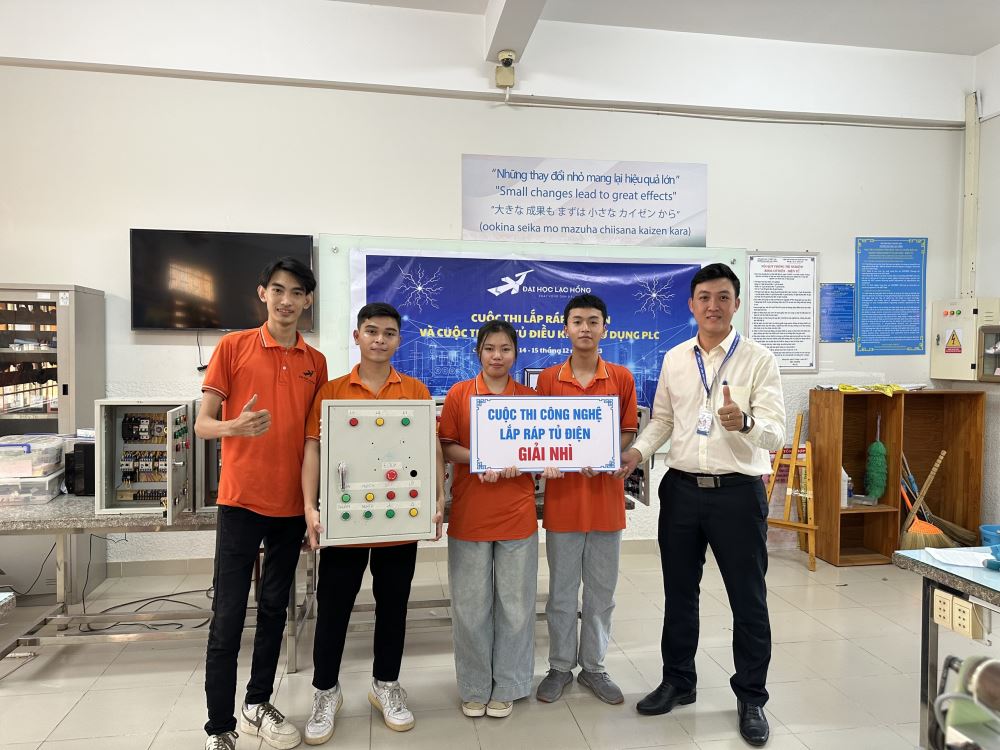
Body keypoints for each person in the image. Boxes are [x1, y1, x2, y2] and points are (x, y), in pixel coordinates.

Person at [617, 263, 785, 747]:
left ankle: (751, 697)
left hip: (738, 493)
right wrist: (635, 454)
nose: (714, 306)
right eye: (704, 297)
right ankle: (678, 681)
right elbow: (663, 421)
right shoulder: (675, 358)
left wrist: (745, 422)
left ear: (737, 304)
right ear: (691, 305)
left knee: (748, 599)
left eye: (723, 297)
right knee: (678, 594)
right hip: (682, 491)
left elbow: (775, 433)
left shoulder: (759, 360)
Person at [196, 257, 327, 750]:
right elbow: (202, 423)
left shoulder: (316, 362)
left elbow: (314, 440)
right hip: (241, 501)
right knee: (228, 615)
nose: (286, 300)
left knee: (275, 610)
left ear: (308, 300)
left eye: (296, 292)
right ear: (262, 293)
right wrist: (233, 426)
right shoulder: (233, 347)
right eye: (278, 290)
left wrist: (312, 505)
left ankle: (257, 702)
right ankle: (219, 726)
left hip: (290, 506)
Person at [301, 302, 445, 745]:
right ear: (357, 336)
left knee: (394, 605)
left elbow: (432, 450)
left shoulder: (416, 390)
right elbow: (313, 449)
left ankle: (386, 684)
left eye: (388, 333)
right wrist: (309, 507)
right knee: (334, 607)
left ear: (399, 340)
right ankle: (326, 691)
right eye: (371, 331)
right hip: (345, 523)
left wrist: (439, 498)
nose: (379, 340)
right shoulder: (332, 391)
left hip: (398, 521)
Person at [534, 293, 638, 705]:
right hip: (563, 503)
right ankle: (560, 666)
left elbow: (627, 431)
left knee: (600, 593)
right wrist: (546, 457)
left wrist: (608, 454)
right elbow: (538, 431)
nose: (585, 328)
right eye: (577, 321)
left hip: (606, 503)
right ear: (565, 328)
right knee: (561, 593)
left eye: (593, 321)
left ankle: (594, 667)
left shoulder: (621, 378)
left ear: (604, 327)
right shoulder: (548, 379)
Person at [439, 320, 539, 719]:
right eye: (490, 348)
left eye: (505, 349)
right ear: (478, 352)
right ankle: (475, 686)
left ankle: (510, 684)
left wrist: (535, 461)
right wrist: (483, 459)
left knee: (516, 606)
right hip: (471, 515)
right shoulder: (460, 394)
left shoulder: (530, 399)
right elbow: (447, 446)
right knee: (471, 608)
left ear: (515, 354)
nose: (497, 356)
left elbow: (539, 449)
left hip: (517, 515)